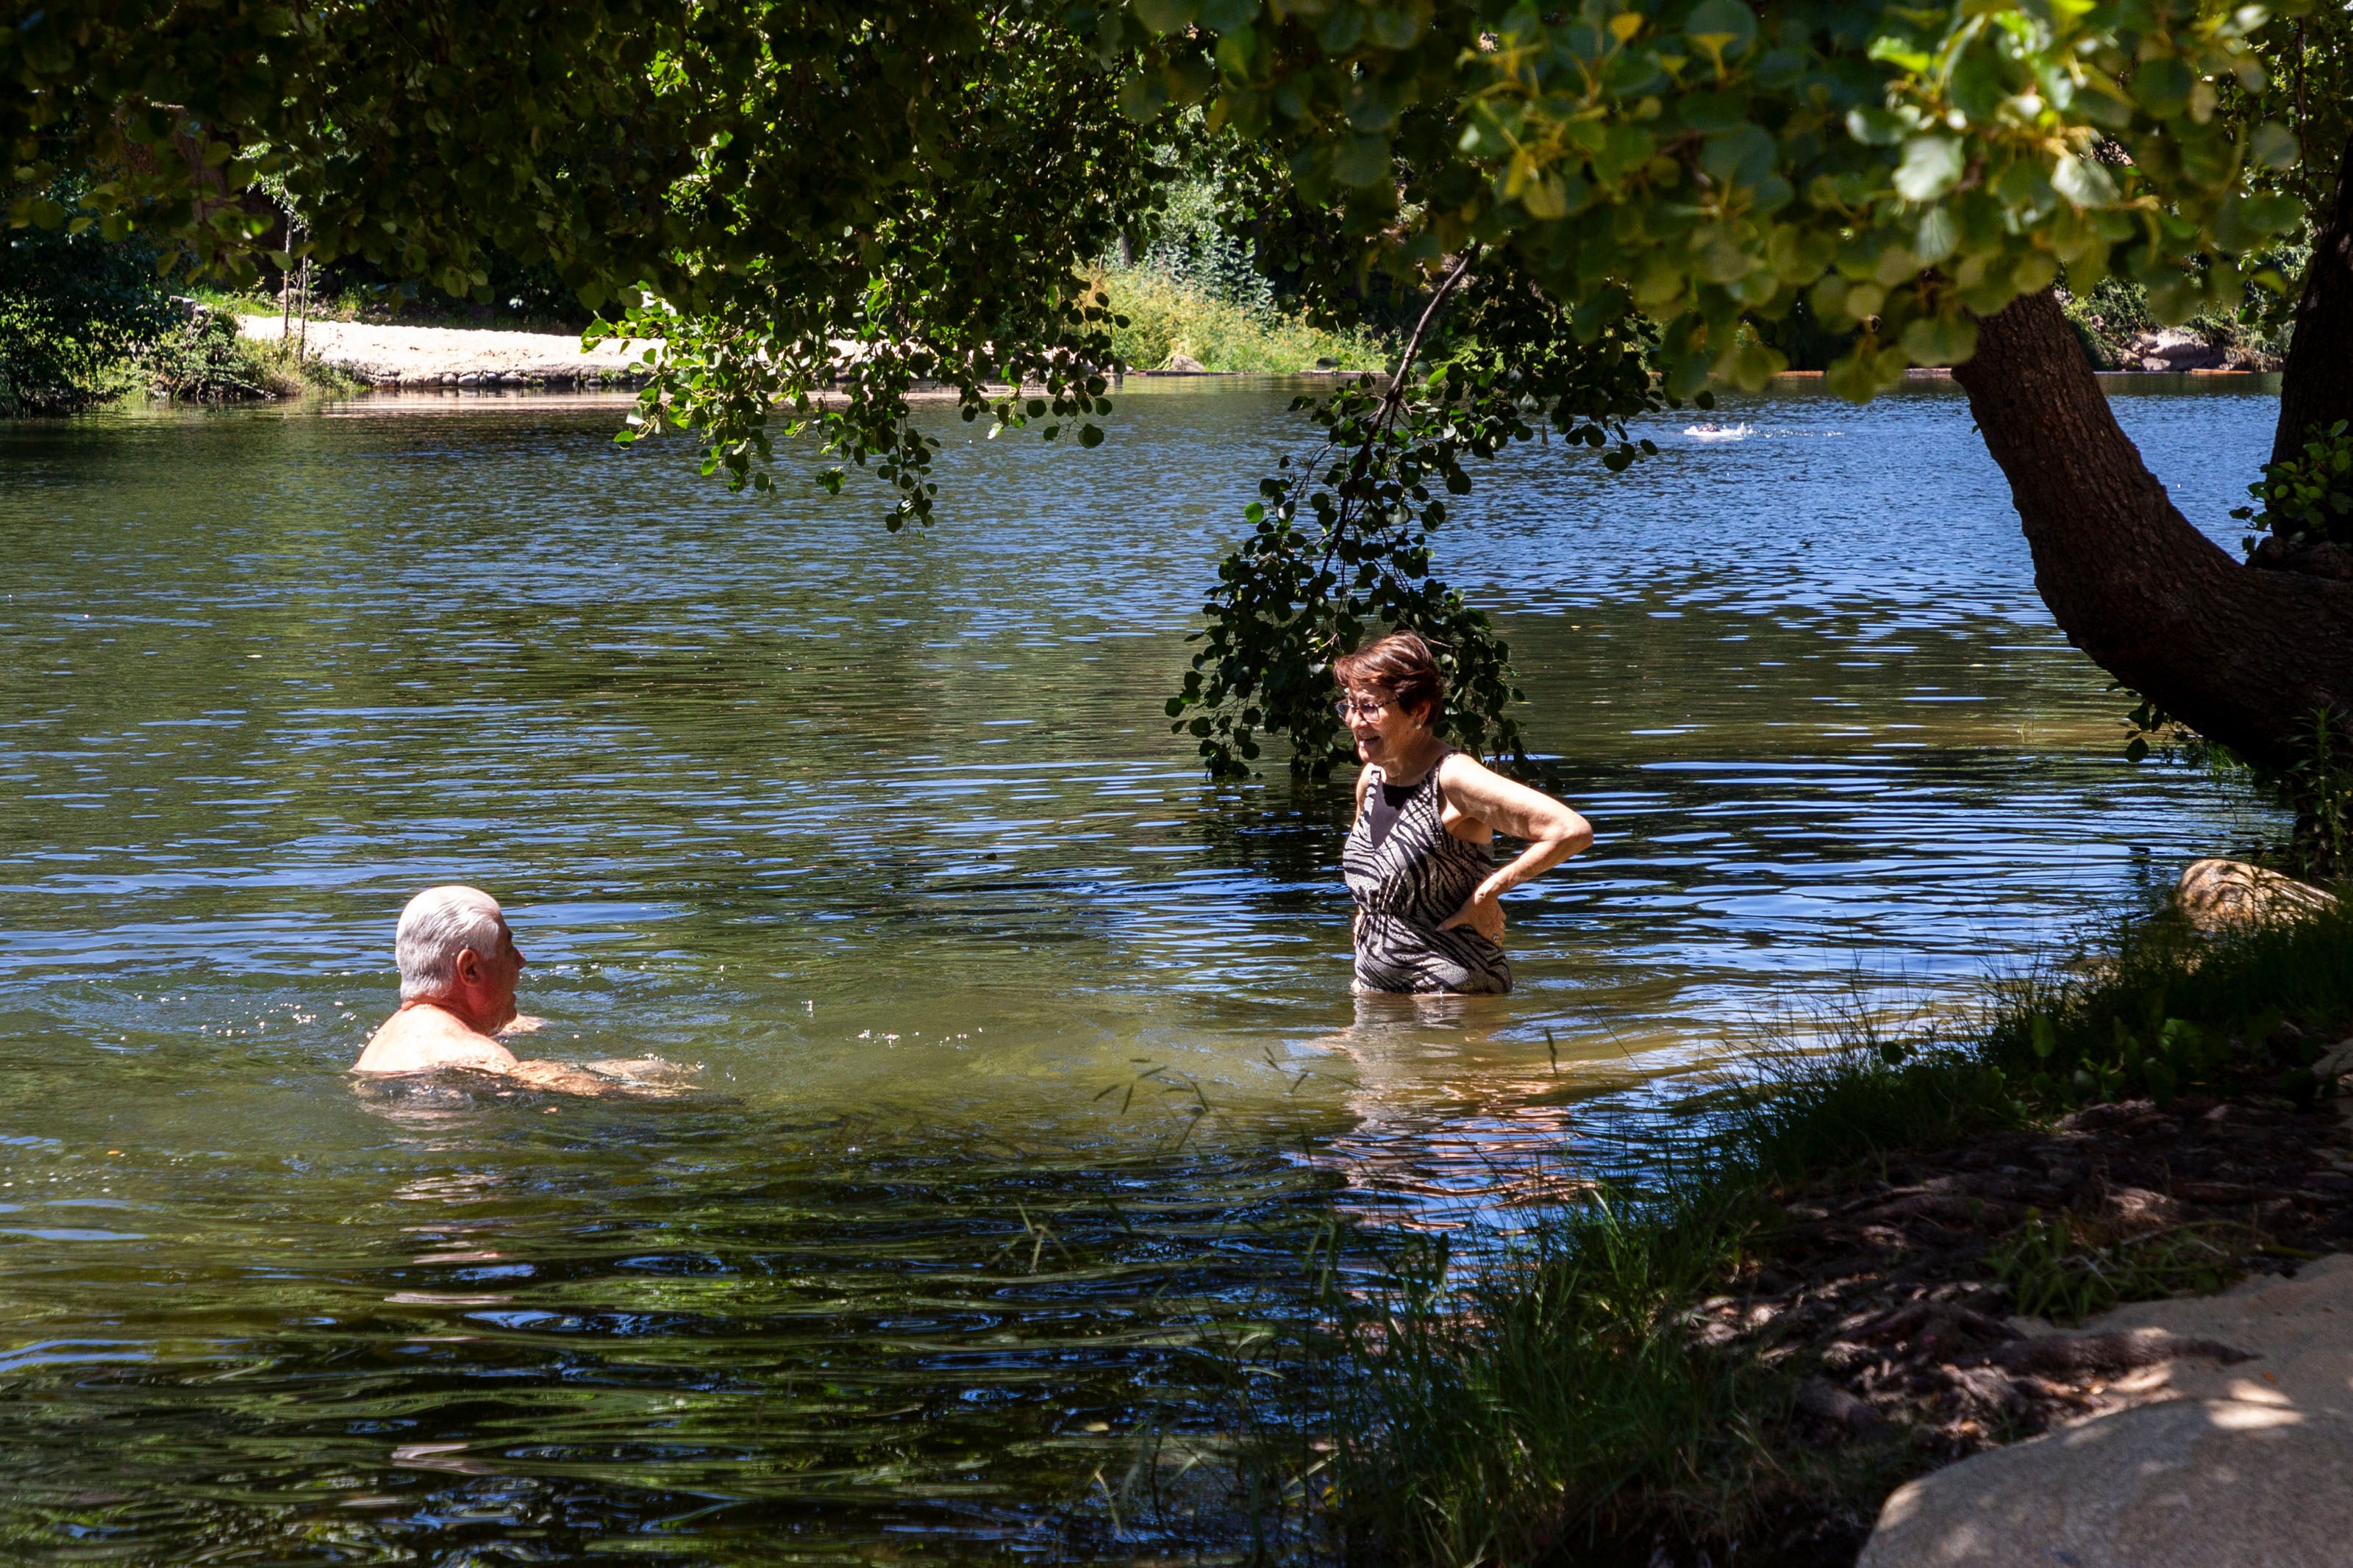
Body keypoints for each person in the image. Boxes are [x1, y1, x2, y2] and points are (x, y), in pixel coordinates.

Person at [1337, 633, 1593, 994]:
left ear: (1419, 711)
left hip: (1454, 996)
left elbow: (1569, 830)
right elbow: (1379, 874)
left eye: (1369, 707)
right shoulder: (1372, 779)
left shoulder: (1453, 777)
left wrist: (1488, 895)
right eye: (1349, 705)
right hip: (1380, 997)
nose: (1354, 721)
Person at [351, 885, 676, 1095]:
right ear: (471, 969)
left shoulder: (393, 1034)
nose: (521, 960)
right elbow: (587, 1094)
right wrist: (662, 1090)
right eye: (508, 948)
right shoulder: (475, 1054)